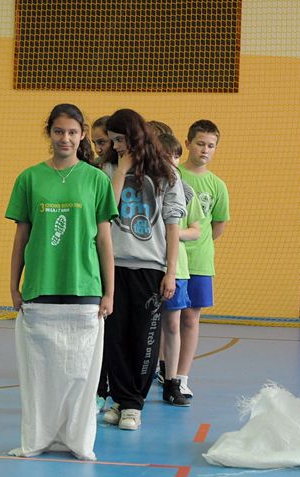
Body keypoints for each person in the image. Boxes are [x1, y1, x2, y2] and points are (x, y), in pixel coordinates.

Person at [5, 103, 117, 461]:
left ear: (82, 134)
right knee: (41, 375)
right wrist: (14, 284)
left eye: (72, 132)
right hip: (40, 286)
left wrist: (109, 290)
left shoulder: (96, 179)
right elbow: (22, 236)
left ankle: (77, 440)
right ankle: (37, 438)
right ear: (49, 133)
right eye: (58, 131)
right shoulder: (29, 178)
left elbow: (104, 240)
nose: (65, 138)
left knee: (80, 375)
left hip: (84, 287)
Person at [100, 108, 186, 431]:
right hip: (115, 264)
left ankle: (134, 403)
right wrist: (121, 171)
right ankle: (122, 401)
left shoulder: (165, 174)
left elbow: (173, 225)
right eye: (113, 141)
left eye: (121, 140)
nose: (117, 146)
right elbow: (106, 211)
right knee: (115, 336)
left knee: (146, 337)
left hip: (150, 267)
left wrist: (171, 271)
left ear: (136, 135)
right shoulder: (108, 167)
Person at [176, 120, 230, 398]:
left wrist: (197, 241)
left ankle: (182, 376)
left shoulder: (217, 185)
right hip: (172, 261)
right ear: (187, 144)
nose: (205, 150)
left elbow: (216, 227)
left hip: (200, 263)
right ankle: (165, 370)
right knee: (168, 318)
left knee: (190, 319)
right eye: (200, 143)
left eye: (211, 145)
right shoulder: (175, 175)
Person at [156, 132, 205, 407]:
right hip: (147, 264)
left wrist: (171, 234)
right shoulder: (145, 189)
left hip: (177, 269)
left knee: (173, 324)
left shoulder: (185, 190)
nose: (171, 162)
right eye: (165, 156)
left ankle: (172, 381)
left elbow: (196, 230)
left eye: (175, 156)